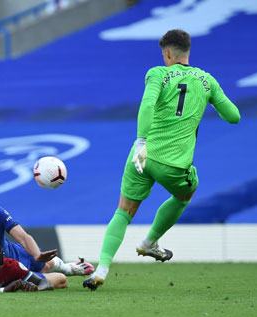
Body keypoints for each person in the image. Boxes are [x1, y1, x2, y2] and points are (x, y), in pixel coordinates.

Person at [83, 29, 241, 291]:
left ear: (167, 53)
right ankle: (149, 242)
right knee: (185, 194)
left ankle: (101, 269)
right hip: (173, 165)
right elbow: (234, 116)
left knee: (123, 211)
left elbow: (146, 104)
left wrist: (141, 142)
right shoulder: (206, 80)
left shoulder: (157, 73)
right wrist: (209, 100)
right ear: (187, 51)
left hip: (141, 156)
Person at [0, 192, 94, 293]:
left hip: (17, 254)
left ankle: (72, 268)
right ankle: (55, 274)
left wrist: (37, 254)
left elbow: (23, 237)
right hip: (6, 274)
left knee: (47, 265)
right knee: (58, 280)